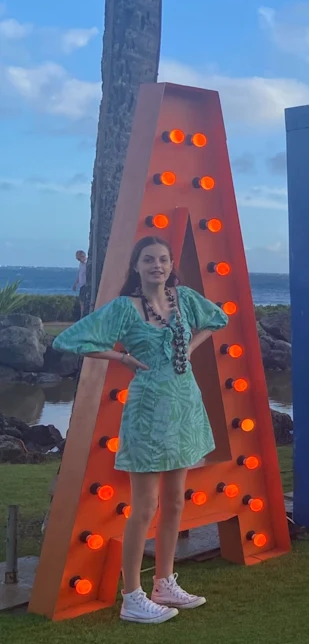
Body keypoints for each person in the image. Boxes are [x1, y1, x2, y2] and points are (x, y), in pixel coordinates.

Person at [52, 236, 228, 624]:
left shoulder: (183, 300)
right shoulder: (124, 308)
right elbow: (69, 339)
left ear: (170, 265)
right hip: (149, 411)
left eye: (163, 259)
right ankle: (132, 594)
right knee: (145, 506)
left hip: (184, 406)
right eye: (149, 259)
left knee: (176, 500)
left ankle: (165, 582)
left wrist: (192, 347)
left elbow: (218, 318)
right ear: (136, 266)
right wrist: (121, 357)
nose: (157, 266)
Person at [71, 250, 89, 321]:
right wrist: (75, 284)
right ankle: (82, 316)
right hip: (81, 285)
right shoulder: (81, 265)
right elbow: (79, 275)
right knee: (81, 301)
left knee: (83, 301)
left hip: (85, 285)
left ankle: (82, 316)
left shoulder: (86, 264)